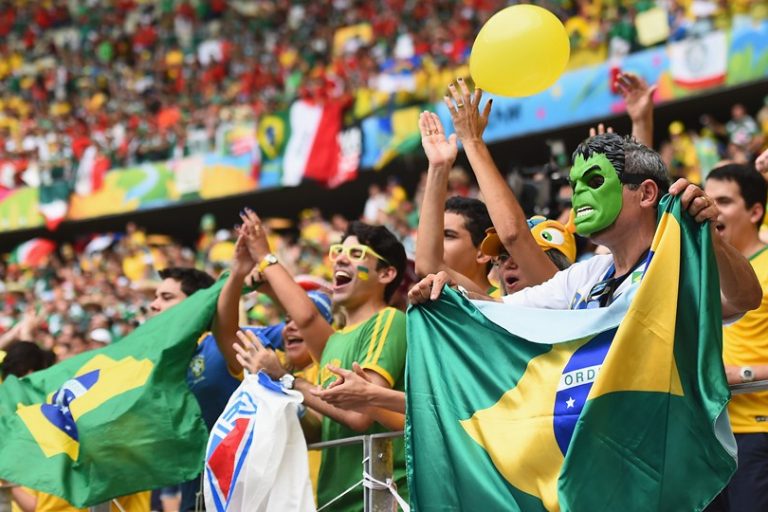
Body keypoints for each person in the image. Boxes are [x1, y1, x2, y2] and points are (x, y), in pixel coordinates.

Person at [411, 132, 761, 319]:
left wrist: (712, 242)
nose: (579, 198)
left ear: (646, 193)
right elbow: (498, 308)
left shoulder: (684, 262)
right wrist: (443, 290)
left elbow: (744, 298)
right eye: (575, 187)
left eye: (594, 182)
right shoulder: (584, 276)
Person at [230, 208, 408, 511]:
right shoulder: (335, 340)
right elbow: (307, 316)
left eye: (356, 253)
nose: (339, 258)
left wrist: (286, 379)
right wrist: (263, 257)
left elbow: (361, 413)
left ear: (386, 273)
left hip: (380, 496)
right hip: (336, 498)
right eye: (338, 251)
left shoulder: (389, 320)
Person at [703, 164, 768, 512]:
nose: (710, 210)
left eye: (723, 201)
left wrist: (741, 374)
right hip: (709, 436)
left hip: (758, 434)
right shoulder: (700, 270)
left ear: (755, 211)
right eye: (706, 199)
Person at [414, 111, 496, 295]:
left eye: (449, 235)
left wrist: (439, 168)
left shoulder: (506, 298)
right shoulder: (435, 303)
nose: (434, 242)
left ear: (483, 253)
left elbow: (428, 264)